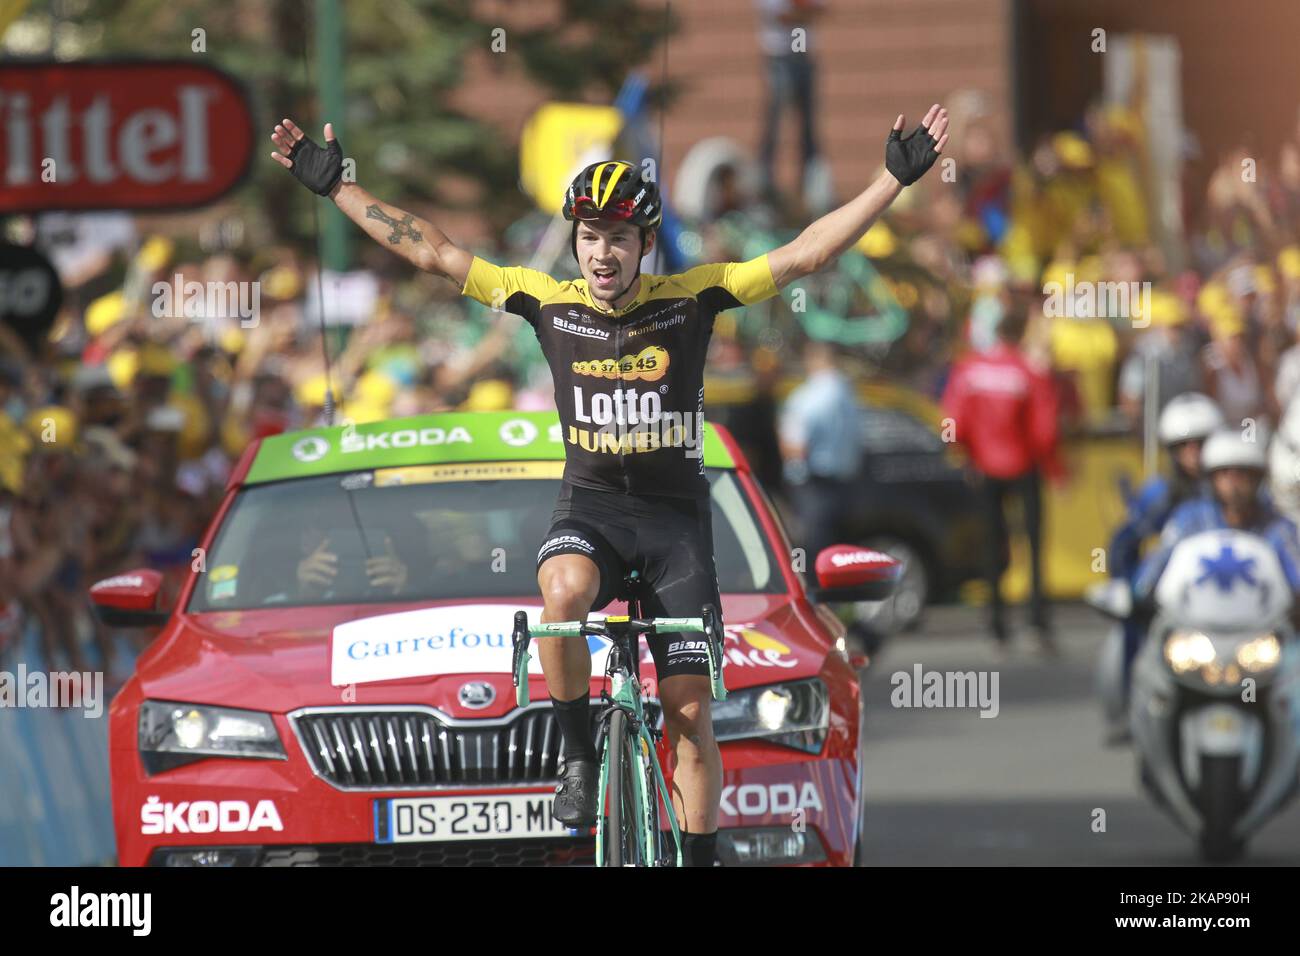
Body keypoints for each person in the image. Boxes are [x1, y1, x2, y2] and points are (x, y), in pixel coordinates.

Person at [271, 104, 949, 865]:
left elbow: (804, 256)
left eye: (617, 239)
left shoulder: (695, 296)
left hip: (674, 528)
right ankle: (577, 757)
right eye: (588, 237)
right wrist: (339, 190)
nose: (600, 254)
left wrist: (890, 180)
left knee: (688, 714)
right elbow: (433, 250)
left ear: (644, 244)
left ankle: (696, 856)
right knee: (559, 597)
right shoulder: (544, 300)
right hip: (590, 511)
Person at [942, 301, 1063, 649]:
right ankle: (1037, 622)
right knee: (1035, 548)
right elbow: (1046, 429)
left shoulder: (969, 370)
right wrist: (1054, 467)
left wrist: (962, 455)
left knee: (993, 546)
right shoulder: (1029, 370)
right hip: (1025, 467)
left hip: (984, 469)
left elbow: (952, 421)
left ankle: (996, 625)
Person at [1106, 392, 1222, 730]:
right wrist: (1128, 588)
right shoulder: (1160, 494)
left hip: (1230, 596)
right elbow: (1124, 543)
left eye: (1201, 444)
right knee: (1132, 621)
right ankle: (1133, 703)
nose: (1194, 455)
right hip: (1176, 600)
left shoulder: (1237, 491)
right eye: (1184, 447)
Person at [1133, 428, 1300, 606]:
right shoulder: (1190, 519)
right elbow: (1159, 560)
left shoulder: (1277, 528)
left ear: (1257, 479)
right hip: (1195, 623)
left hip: (1263, 627)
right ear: (1211, 479)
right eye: (1224, 473)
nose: (1233, 483)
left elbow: (1296, 574)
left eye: (1242, 474)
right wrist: (1142, 590)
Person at [778, 338, 862, 567]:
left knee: (811, 551)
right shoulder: (848, 394)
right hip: (846, 485)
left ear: (813, 359)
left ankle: (812, 597)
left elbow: (793, 446)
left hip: (812, 486)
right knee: (838, 555)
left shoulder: (808, 396)